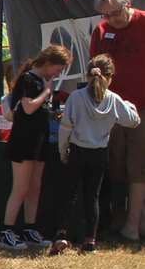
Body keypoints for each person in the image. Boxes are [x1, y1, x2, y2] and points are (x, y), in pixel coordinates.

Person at [50, 54, 140, 255]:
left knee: (69, 194)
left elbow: (65, 127)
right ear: (110, 77)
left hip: (77, 150)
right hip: (99, 153)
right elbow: (133, 121)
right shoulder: (114, 99)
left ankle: (62, 234)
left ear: (88, 75)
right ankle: (90, 240)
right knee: (93, 197)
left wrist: (62, 150)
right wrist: (129, 105)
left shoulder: (76, 97)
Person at [0, 44, 71, 252]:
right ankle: (7, 231)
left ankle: (30, 228)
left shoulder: (41, 80)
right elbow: (28, 107)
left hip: (40, 140)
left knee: (34, 187)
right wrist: (47, 92)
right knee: (20, 188)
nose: (59, 73)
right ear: (48, 63)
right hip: (24, 141)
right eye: (58, 68)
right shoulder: (28, 79)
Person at [88, 0, 144, 242]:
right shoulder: (101, 31)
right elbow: (94, 71)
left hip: (141, 109)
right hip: (110, 111)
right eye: (105, 15)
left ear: (128, 3)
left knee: (138, 167)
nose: (111, 20)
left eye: (115, 13)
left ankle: (133, 225)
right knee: (115, 167)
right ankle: (117, 221)